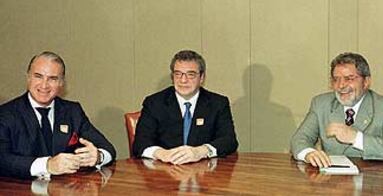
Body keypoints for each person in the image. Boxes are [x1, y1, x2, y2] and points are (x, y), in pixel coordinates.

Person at [0, 51, 116, 179]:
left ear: (61, 83)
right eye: (38, 76)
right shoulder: (6, 114)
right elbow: (2, 159)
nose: (44, 85)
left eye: (52, 79)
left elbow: (108, 148)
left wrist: (98, 157)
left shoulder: (72, 111)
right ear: (28, 78)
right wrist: (47, 165)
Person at [290, 52, 383, 168]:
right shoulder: (321, 104)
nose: (341, 85)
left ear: (366, 82)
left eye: (349, 78)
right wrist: (308, 153)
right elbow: (299, 139)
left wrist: (356, 138)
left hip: (371, 183)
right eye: (336, 79)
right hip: (331, 183)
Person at [133, 50, 238, 165]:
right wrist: (161, 153)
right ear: (172, 77)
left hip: (205, 174)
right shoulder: (154, 103)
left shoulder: (218, 103)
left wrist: (201, 151)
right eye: (178, 74)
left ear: (202, 77)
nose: (183, 80)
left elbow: (229, 141)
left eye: (190, 75)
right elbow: (140, 143)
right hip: (164, 173)